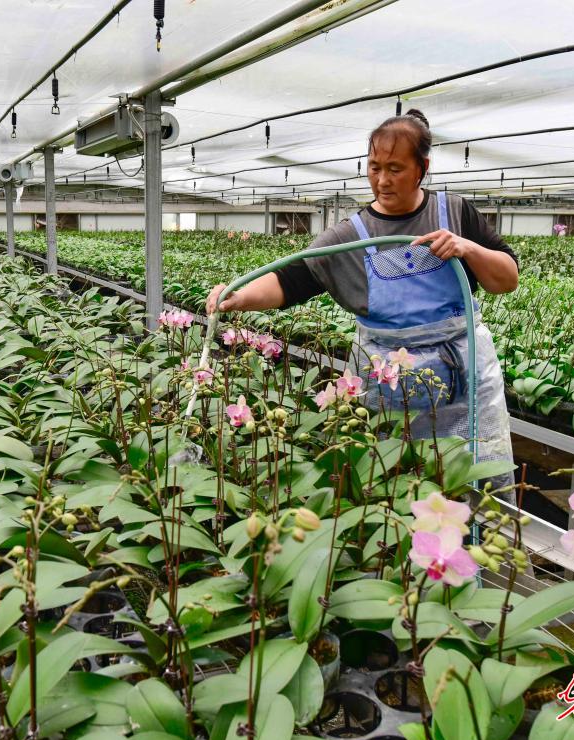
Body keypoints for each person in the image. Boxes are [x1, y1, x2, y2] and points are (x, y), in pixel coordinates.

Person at [205, 109, 518, 488]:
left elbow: (506, 279)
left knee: (477, 482)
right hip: (390, 384)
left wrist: (467, 248)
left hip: (465, 380)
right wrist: (238, 297)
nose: (382, 180)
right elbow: (291, 279)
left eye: (395, 168)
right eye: (374, 168)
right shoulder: (350, 236)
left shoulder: (454, 212)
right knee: (392, 483)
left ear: (422, 167)